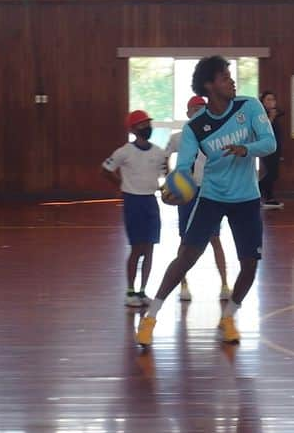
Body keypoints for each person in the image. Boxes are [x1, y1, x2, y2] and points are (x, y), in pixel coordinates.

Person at [136, 56, 277, 347]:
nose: (232, 81)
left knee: (250, 264)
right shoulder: (195, 128)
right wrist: (175, 190)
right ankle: (151, 317)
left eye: (230, 75)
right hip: (212, 196)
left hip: (247, 199)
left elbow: (269, 143)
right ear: (209, 86)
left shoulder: (249, 106)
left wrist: (245, 148)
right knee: (186, 255)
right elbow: (184, 169)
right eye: (225, 77)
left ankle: (228, 318)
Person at [165, 96, 230, 303]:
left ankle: (225, 284)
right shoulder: (179, 137)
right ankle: (183, 284)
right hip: (188, 193)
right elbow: (163, 156)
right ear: (188, 113)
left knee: (215, 238)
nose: (199, 112)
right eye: (195, 109)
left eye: (202, 108)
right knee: (186, 240)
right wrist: (170, 179)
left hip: (210, 191)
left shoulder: (215, 135)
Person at [102, 110, 167, 307]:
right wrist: (122, 186)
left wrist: (169, 191)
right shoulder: (124, 152)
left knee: (149, 248)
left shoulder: (158, 152)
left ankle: (142, 291)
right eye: (141, 125)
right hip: (133, 202)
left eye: (148, 123)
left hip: (150, 202)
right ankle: (130, 291)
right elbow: (105, 170)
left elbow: (167, 176)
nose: (146, 127)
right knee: (137, 247)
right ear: (132, 129)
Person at [258, 90, 284, 209]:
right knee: (272, 174)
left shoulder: (274, 112)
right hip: (267, 148)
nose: (271, 102)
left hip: (276, 147)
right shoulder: (261, 114)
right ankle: (255, 192)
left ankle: (269, 198)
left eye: (273, 99)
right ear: (262, 102)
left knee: (273, 173)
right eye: (268, 99)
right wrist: (271, 118)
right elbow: (263, 130)